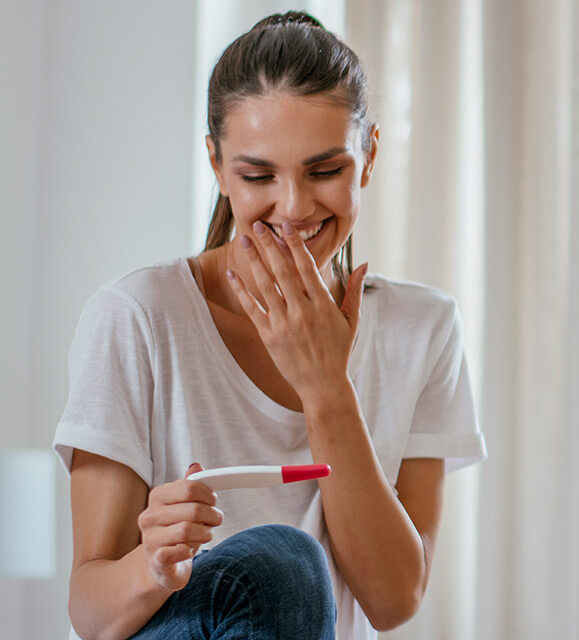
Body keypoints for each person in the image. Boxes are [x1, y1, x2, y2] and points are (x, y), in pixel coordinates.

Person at [51, 11, 485, 639]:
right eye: (258, 176)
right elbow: (90, 614)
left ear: (368, 155)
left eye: (325, 171)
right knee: (282, 561)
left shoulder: (424, 328)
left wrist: (326, 387)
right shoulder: (137, 316)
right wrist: (153, 564)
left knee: (288, 563)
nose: (294, 207)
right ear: (217, 164)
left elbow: (393, 601)